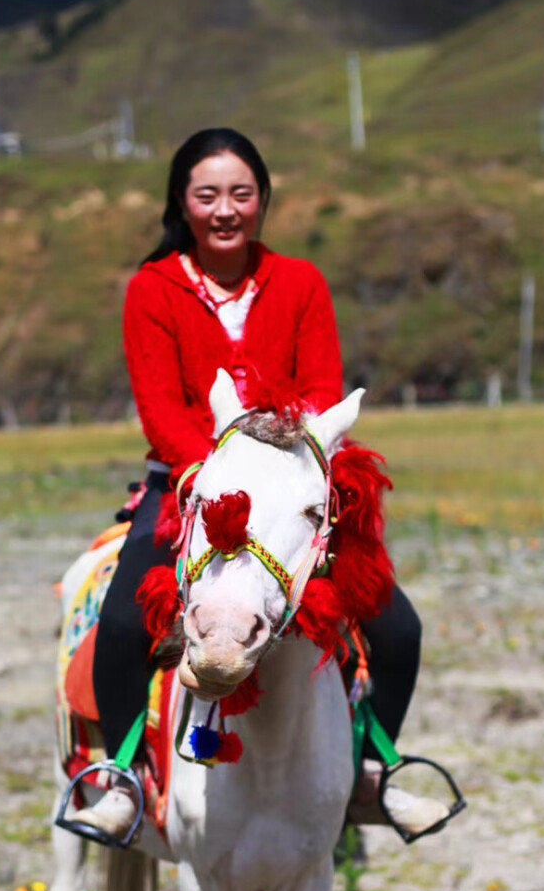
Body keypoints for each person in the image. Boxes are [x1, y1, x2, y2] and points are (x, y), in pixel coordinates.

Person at [81, 127, 423, 839]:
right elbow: (162, 410)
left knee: (396, 627)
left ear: (263, 199)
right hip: (188, 483)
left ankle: (366, 774)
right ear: (182, 202)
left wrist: (277, 473)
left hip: (289, 486)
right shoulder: (153, 289)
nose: (225, 209)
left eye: (241, 193)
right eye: (208, 195)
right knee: (120, 622)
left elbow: (323, 388)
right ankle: (120, 777)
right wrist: (216, 479)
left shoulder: (301, 283)